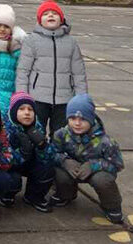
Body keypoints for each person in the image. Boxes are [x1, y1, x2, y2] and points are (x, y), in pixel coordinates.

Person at [15, 0, 88, 136]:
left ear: (61, 19)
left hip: (64, 98)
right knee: (36, 133)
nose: (50, 16)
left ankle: (57, 156)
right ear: (39, 20)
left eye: (54, 13)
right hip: (38, 98)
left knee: (60, 134)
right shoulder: (32, 41)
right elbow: (23, 71)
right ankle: (38, 156)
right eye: (46, 14)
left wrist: (81, 98)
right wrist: (22, 95)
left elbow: (79, 73)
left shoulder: (71, 42)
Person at [50, 94, 125, 224]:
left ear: (91, 119)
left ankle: (112, 206)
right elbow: (51, 153)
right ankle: (66, 195)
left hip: (95, 172)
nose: (77, 123)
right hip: (72, 170)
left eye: (83, 119)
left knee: (102, 180)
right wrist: (64, 161)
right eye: (73, 118)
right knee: (57, 172)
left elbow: (118, 164)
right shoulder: (61, 135)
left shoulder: (106, 142)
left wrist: (94, 165)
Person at [1, 92, 55, 213]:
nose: (27, 112)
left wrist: (42, 146)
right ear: (14, 111)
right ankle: (6, 194)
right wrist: (22, 153)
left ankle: (34, 196)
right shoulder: (5, 127)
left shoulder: (37, 126)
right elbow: (3, 158)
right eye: (21, 109)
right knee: (13, 179)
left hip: (30, 162)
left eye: (30, 109)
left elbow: (50, 156)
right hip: (11, 166)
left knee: (48, 168)